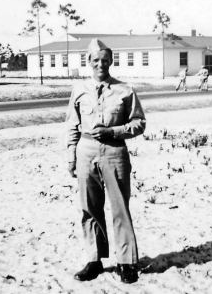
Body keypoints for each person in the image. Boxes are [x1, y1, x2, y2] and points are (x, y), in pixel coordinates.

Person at [65, 38, 146, 284]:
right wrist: (71, 156)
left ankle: (127, 262)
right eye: (96, 60)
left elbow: (139, 123)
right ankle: (94, 260)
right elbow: (72, 125)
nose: (101, 64)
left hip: (114, 151)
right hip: (86, 151)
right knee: (89, 207)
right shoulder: (79, 90)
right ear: (89, 62)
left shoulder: (125, 90)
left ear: (111, 61)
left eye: (105, 60)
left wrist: (114, 132)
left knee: (120, 207)